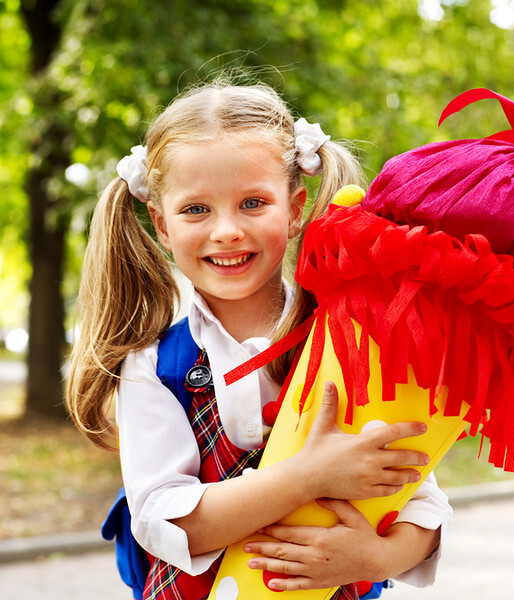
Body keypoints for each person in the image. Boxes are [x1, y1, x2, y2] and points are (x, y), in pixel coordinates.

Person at [65, 80, 452, 600]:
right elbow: (164, 521)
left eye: (252, 202)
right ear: (160, 224)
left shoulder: (349, 342)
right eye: (196, 209)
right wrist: (309, 476)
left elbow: (419, 496)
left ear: (294, 210)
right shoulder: (153, 364)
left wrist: (378, 556)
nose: (226, 230)